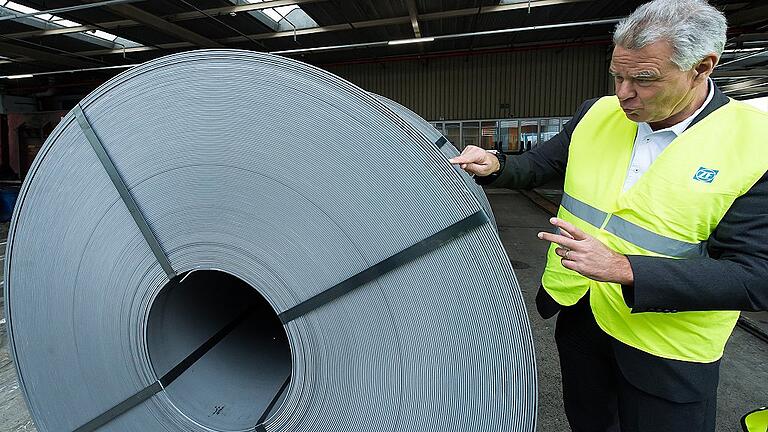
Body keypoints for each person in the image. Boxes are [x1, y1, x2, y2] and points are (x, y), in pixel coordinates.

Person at [449, 0, 768, 431]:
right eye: (617, 75)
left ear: (701, 67)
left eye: (644, 79)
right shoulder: (597, 114)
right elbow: (539, 165)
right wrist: (497, 165)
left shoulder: (754, 144)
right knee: (590, 421)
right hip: (581, 315)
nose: (623, 93)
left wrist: (623, 268)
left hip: (664, 345)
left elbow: (756, 276)